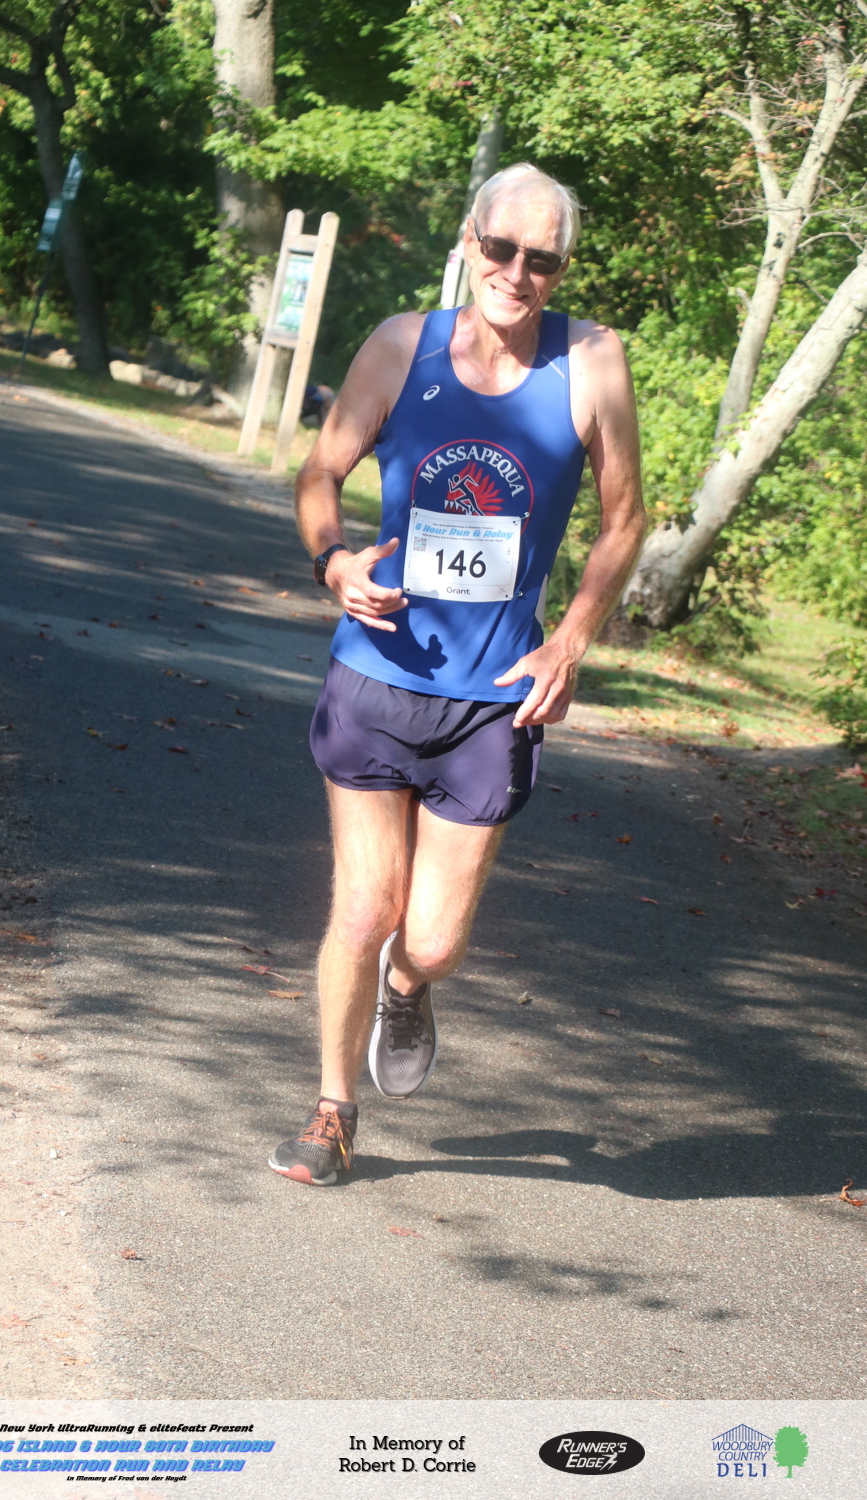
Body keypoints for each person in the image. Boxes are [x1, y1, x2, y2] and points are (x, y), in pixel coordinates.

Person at [270, 163, 646, 1186]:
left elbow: (625, 521)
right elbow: (320, 471)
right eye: (502, 249)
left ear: (561, 267)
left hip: (491, 701)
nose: (518, 273)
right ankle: (331, 1113)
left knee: (429, 940)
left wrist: (571, 638)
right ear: (470, 242)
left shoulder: (591, 363)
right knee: (362, 910)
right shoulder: (403, 345)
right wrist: (333, 560)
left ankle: (408, 987)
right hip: (377, 675)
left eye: (542, 259)